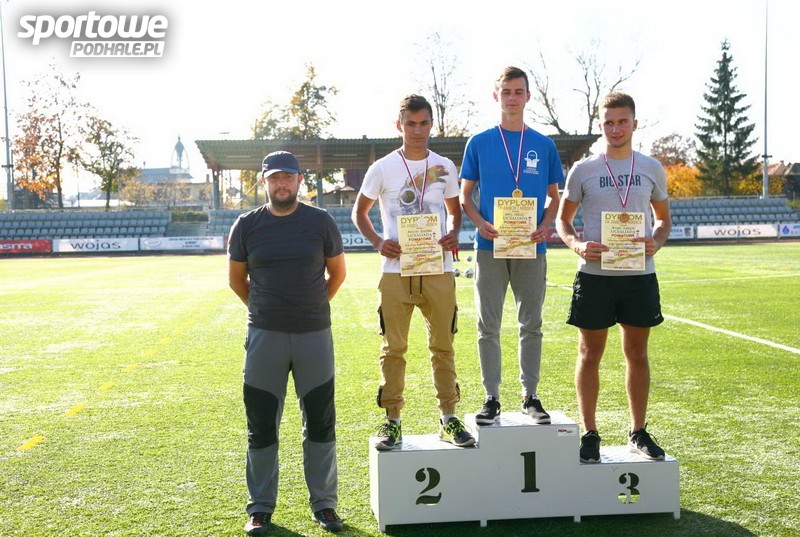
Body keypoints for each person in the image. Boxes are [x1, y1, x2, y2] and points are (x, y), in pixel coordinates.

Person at [228, 151, 347, 535]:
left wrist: (311, 307)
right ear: (264, 181)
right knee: (262, 423)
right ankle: (260, 508)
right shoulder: (246, 225)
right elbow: (236, 280)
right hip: (265, 336)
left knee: (321, 422)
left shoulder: (321, 221)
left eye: (288, 177)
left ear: (299, 181)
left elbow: (337, 274)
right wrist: (265, 310)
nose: (282, 184)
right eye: (275, 178)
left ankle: (325, 505)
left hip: (314, 335)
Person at [352, 94, 475, 450]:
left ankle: (449, 418)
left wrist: (453, 231)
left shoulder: (445, 166)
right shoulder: (382, 168)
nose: (417, 130)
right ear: (399, 125)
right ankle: (392, 421)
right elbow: (360, 213)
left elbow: (454, 211)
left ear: (431, 124)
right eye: (410, 124)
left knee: (443, 345)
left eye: (423, 124)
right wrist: (379, 242)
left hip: (438, 267)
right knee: (393, 347)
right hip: (396, 270)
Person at [555, 92, 671, 463]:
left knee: (637, 353)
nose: (616, 128)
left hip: (638, 274)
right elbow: (562, 221)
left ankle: (638, 431)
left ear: (634, 123)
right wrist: (576, 244)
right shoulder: (583, 169)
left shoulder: (651, 167)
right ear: (600, 125)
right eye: (609, 122)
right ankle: (590, 433)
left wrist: (655, 241)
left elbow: (664, 220)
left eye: (622, 121)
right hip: (595, 277)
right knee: (590, 354)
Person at [460, 66, 563, 425]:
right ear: (496, 95)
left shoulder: (544, 145)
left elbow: (554, 198)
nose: (512, 98)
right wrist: (480, 223)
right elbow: (465, 196)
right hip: (489, 246)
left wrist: (546, 225)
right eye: (506, 91)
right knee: (487, 325)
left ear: (528, 96)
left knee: (531, 323)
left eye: (518, 91)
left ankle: (530, 396)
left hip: (531, 248)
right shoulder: (479, 142)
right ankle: (491, 397)